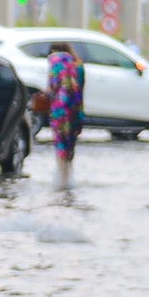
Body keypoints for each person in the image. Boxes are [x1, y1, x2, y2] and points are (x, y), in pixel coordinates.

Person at [44, 41, 85, 190]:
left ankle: (61, 180)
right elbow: (80, 89)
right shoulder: (78, 66)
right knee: (70, 145)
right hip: (75, 109)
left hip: (59, 111)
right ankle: (69, 177)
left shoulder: (55, 64)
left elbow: (51, 89)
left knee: (60, 143)